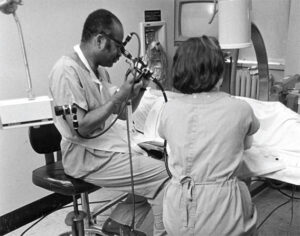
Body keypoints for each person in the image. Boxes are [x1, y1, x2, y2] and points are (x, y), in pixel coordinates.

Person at [49, 9, 169, 236]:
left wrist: (138, 88)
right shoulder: (66, 71)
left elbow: (121, 114)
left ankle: (118, 224)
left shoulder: (99, 72)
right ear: (100, 40)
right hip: (84, 155)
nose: (121, 54)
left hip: (105, 147)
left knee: (161, 160)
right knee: (164, 175)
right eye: (118, 47)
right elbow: (81, 127)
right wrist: (119, 96)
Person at [158, 36, 260, 235]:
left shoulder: (168, 110)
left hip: (177, 210)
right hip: (221, 211)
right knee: (243, 194)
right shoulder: (240, 109)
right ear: (219, 73)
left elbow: (169, 138)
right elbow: (247, 144)